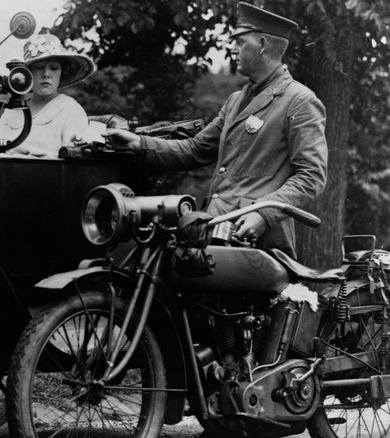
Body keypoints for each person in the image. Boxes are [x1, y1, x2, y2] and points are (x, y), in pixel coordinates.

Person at [104, 2, 327, 260]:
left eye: (240, 43)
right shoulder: (236, 99)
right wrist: (139, 143)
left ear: (263, 45)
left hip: (257, 242)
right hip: (214, 232)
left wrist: (264, 214)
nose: (232, 49)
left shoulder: (299, 100)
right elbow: (196, 149)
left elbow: (312, 177)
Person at [0, 33, 96, 158]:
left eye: (54, 68)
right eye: (39, 67)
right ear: (28, 74)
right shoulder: (14, 109)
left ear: (61, 73)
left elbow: (73, 160)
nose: (46, 74)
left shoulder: (70, 110)